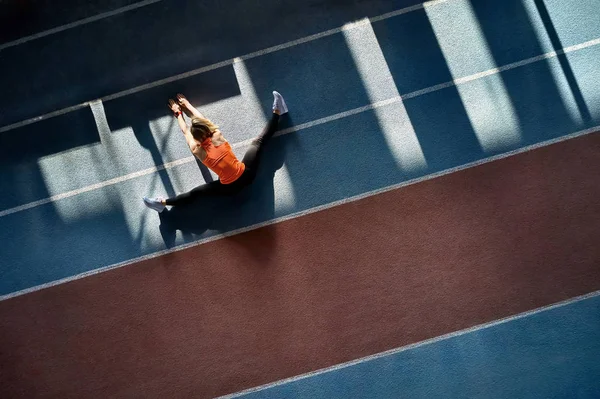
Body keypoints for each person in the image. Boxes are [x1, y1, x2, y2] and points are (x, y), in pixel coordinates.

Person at [143, 91, 288, 212]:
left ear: (197, 139)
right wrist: (187, 104)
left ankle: (161, 203)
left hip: (230, 189)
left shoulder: (198, 150)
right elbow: (201, 119)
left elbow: (185, 130)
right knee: (260, 141)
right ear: (207, 129)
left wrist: (178, 113)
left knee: (196, 194)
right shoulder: (217, 137)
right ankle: (278, 110)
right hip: (247, 175)